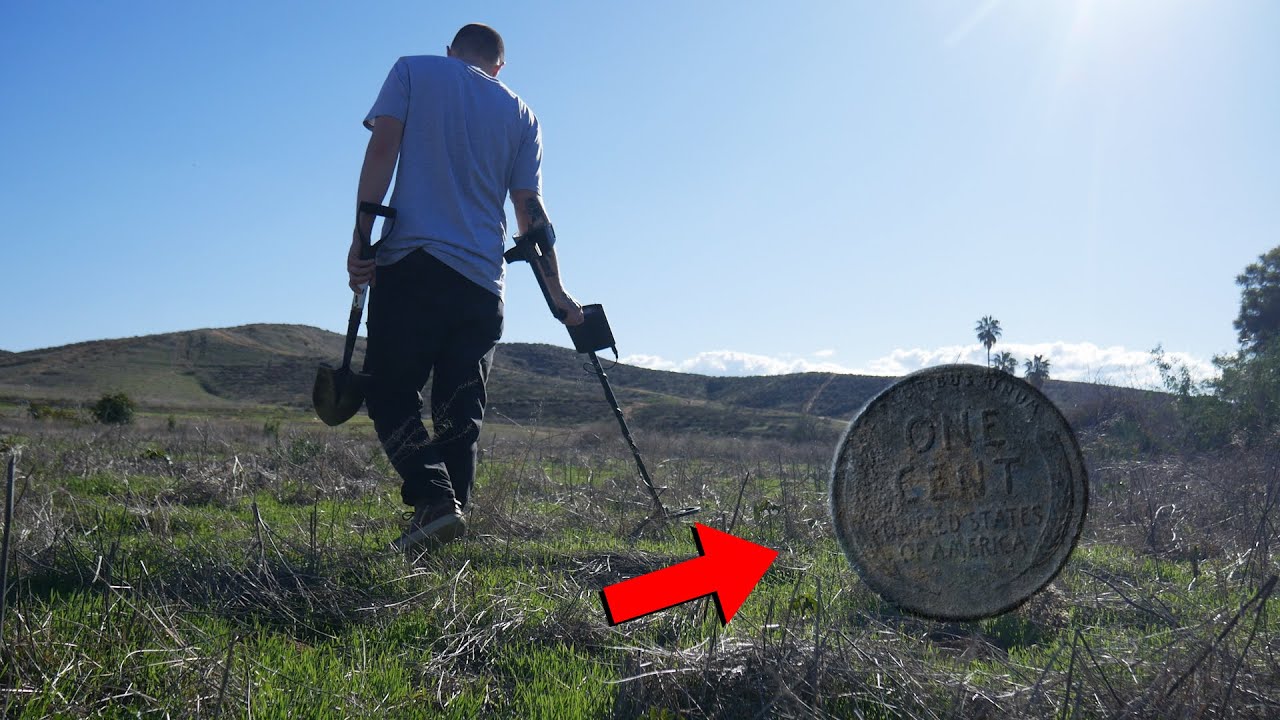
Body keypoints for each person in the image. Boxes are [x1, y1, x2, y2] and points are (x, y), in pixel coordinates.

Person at [346, 23, 583, 553]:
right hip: (482, 283)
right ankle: (442, 539)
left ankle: (434, 500)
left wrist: (362, 239)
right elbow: (531, 214)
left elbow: (382, 151)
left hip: (414, 262)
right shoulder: (521, 113)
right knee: (459, 415)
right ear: (499, 67)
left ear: (450, 52)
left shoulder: (414, 69)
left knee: (388, 391)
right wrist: (559, 293)